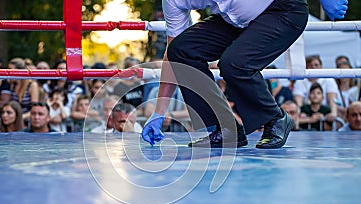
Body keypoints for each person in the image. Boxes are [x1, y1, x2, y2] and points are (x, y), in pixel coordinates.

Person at [141, 0, 348, 148]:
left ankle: (276, 118)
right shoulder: (173, 1)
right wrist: (159, 111)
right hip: (236, 21)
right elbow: (172, 56)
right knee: (181, 49)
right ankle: (225, 129)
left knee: (234, 63)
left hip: (282, 10)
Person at [293, 55, 339, 122]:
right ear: (306, 67)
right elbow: (299, 103)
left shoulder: (329, 80)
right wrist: (303, 115)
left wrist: (333, 114)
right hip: (306, 114)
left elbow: (332, 100)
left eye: (316, 65)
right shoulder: (299, 82)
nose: (313, 67)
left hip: (325, 113)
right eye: (311, 65)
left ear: (321, 66)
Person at [8, 57, 42, 122]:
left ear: (20, 71)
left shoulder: (32, 85)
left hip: (27, 121)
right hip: (13, 121)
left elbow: (35, 108)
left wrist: (21, 117)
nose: (9, 72)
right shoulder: (12, 84)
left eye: (11, 69)